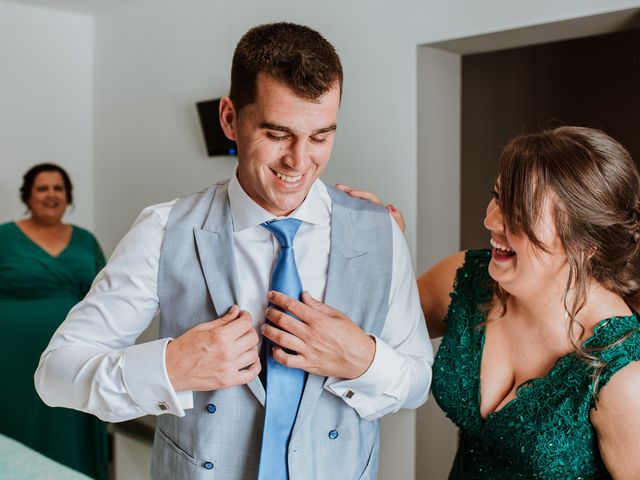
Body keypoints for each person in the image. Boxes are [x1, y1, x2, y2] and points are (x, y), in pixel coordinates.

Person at [34, 23, 433, 480]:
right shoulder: (164, 231)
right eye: (277, 133)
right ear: (229, 118)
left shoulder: (380, 230)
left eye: (320, 137)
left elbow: (418, 380)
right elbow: (55, 374)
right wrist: (171, 367)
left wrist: (365, 359)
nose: (299, 162)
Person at [340, 126, 640, 479]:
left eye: (520, 212)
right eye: (497, 196)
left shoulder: (624, 377)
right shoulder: (466, 280)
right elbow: (373, 323)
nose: (491, 220)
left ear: (585, 243)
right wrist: (381, 250)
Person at [0, 163, 109, 480]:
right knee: (18, 427)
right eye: (42, 188)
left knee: (68, 421)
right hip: (11, 358)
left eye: (58, 188)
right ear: (28, 196)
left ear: (68, 196)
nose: (51, 195)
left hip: (73, 355)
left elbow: (106, 294)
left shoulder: (85, 240)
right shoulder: (4, 237)